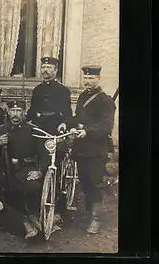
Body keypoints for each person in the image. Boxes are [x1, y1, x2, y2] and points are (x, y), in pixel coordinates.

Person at [70, 65, 116, 234]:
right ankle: (90, 213)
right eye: (86, 78)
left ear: (98, 79)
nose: (88, 81)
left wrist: (86, 130)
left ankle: (96, 219)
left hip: (96, 149)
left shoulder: (106, 101)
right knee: (84, 180)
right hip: (82, 148)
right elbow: (78, 117)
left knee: (95, 182)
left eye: (91, 78)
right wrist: (68, 124)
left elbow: (106, 126)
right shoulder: (83, 96)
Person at [0, 100, 47, 225]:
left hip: (27, 169)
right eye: (12, 111)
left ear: (24, 113)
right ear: (8, 112)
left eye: (18, 111)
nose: (15, 114)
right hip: (7, 170)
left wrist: (39, 171)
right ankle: (17, 218)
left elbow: (44, 154)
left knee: (33, 187)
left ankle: (33, 215)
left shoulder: (33, 131)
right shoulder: (1, 130)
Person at [26, 56, 73, 135]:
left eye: (49, 67)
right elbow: (32, 110)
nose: (45, 70)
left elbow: (67, 112)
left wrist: (65, 123)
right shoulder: (37, 89)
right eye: (43, 67)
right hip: (38, 127)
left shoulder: (63, 90)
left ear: (55, 70)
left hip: (55, 127)